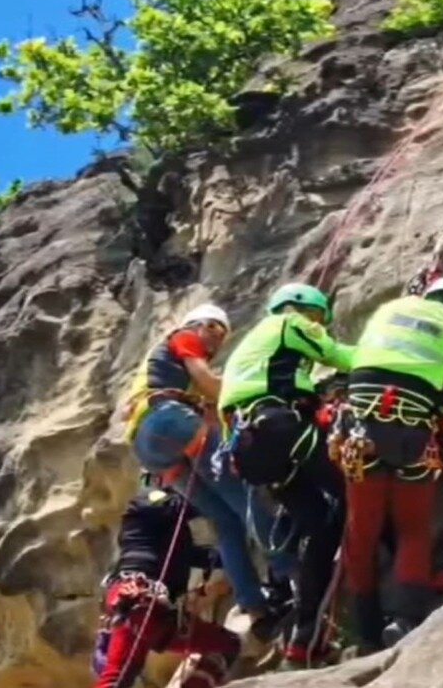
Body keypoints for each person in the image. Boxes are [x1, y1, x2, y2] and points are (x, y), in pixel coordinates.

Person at [125, 304, 298, 642]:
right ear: (199, 324)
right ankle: (288, 571)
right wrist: (242, 397)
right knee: (244, 496)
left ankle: (254, 606)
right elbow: (206, 380)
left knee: (225, 521)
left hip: (148, 446)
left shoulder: (158, 369)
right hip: (168, 420)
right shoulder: (184, 337)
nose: (216, 342)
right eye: (215, 331)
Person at [330, 276, 443, 652]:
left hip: (360, 430)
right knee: (413, 528)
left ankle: (366, 629)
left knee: (361, 532)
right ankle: (406, 620)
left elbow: (360, 359)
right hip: (412, 433)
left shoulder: (390, 309)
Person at [216, 283, 356, 668]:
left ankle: (304, 636)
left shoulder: (249, 352)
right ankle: (381, 600)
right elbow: (341, 356)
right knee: (353, 492)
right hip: (278, 427)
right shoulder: (290, 322)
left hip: (249, 452)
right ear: (302, 308)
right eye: (318, 317)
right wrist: (382, 356)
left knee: (320, 527)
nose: (318, 325)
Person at [91, 485, 241, 688]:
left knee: (227, 645)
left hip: (154, 613)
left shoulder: (172, 537)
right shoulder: (145, 501)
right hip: (138, 598)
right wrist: (219, 495)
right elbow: (172, 505)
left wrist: (238, 555)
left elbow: (199, 556)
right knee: (117, 678)